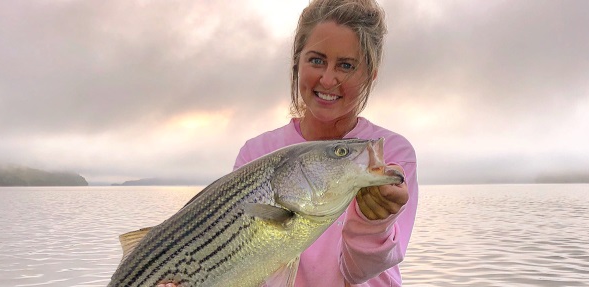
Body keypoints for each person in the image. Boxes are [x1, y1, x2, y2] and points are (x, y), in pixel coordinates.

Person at [159, 0, 418, 286]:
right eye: (317, 60)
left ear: (370, 74)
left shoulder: (390, 155)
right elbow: (239, 269)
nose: (328, 79)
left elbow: (360, 274)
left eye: (346, 65)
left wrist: (373, 222)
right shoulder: (255, 153)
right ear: (297, 61)